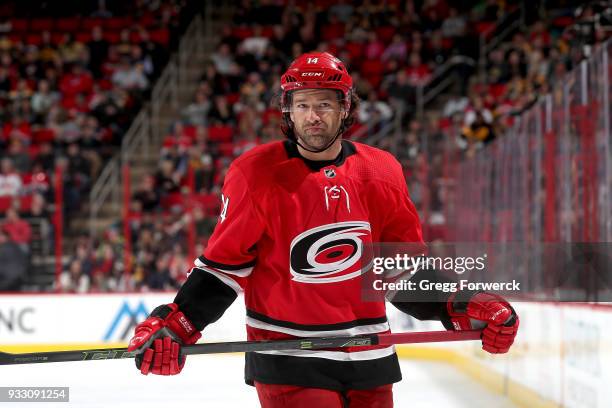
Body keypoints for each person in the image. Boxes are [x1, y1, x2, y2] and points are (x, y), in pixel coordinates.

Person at [128, 52, 519, 407]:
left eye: (324, 105)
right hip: (288, 354)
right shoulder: (254, 174)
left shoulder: (381, 171)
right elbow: (223, 270)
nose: (313, 116)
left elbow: (399, 271)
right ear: (289, 112)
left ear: (345, 109)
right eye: (303, 105)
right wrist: (177, 321)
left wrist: (457, 303)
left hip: (370, 354)